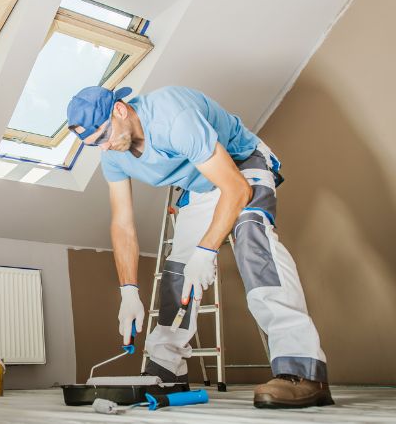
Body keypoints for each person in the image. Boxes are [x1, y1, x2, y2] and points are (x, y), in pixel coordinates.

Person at [66, 85, 333, 408]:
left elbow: (235, 188)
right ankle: (167, 367)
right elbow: (122, 224)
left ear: (119, 110)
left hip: (241, 165)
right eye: (94, 143)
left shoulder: (173, 117)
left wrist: (207, 251)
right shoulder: (113, 155)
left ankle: (302, 369)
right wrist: (128, 292)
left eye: (103, 135)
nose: (104, 146)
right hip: (201, 183)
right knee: (177, 269)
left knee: (252, 238)